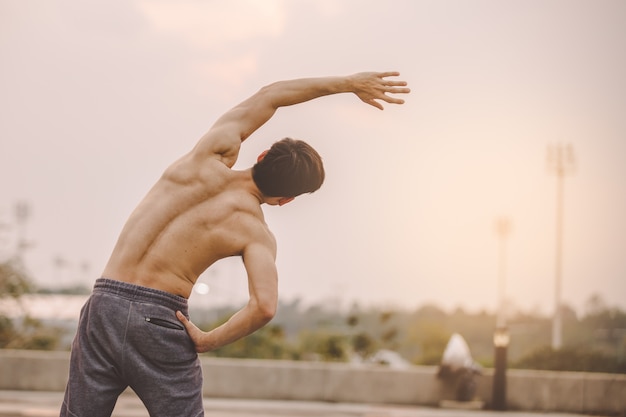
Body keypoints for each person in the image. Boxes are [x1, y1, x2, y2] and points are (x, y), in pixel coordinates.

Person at [60, 71, 410, 417]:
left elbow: (271, 94)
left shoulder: (208, 155)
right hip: (160, 318)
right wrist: (207, 340)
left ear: (261, 156)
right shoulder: (255, 232)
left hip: (103, 304)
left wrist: (349, 84)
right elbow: (264, 307)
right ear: (285, 199)